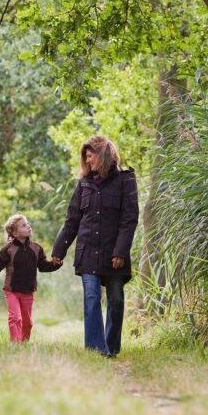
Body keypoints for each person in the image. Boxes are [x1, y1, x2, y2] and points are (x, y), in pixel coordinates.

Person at [51, 135, 139, 357]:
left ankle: (110, 347)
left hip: (114, 253)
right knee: (91, 298)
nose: (87, 162)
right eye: (86, 158)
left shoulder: (126, 180)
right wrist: (58, 252)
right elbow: (72, 221)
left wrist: (120, 251)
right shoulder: (84, 184)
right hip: (88, 252)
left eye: (90, 157)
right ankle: (95, 350)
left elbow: (129, 220)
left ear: (103, 155)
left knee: (116, 300)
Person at [0, 214, 61, 342]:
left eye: (27, 223)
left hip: (28, 291)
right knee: (15, 318)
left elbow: (43, 266)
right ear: (15, 233)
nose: (28, 226)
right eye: (23, 225)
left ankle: (23, 344)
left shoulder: (36, 248)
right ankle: (15, 344)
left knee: (28, 323)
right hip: (11, 291)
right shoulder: (8, 250)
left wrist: (55, 264)